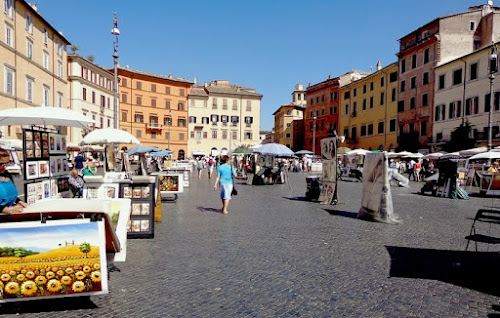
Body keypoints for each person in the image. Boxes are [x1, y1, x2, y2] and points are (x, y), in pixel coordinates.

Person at [0, 148, 27, 215]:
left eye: (8, 163)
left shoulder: (7, 174)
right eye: (2, 164)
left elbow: (10, 196)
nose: (5, 167)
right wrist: (5, 210)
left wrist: (19, 201)